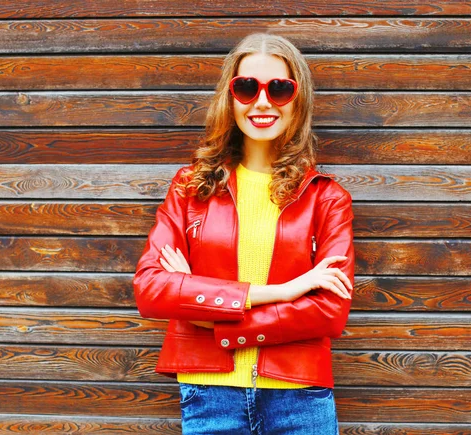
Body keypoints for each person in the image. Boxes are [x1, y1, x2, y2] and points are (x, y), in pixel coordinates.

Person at [133, 33, 354, 435]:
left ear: (298, 100)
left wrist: (210, 319)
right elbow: (151, 288)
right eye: (247, 87)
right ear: (230, 96)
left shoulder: (327, 198)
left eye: (280, 88)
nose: (263, 101)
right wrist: (287, 290)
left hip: (299, 394)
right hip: (209, 395)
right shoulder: (190, 189)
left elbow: (329, 311)